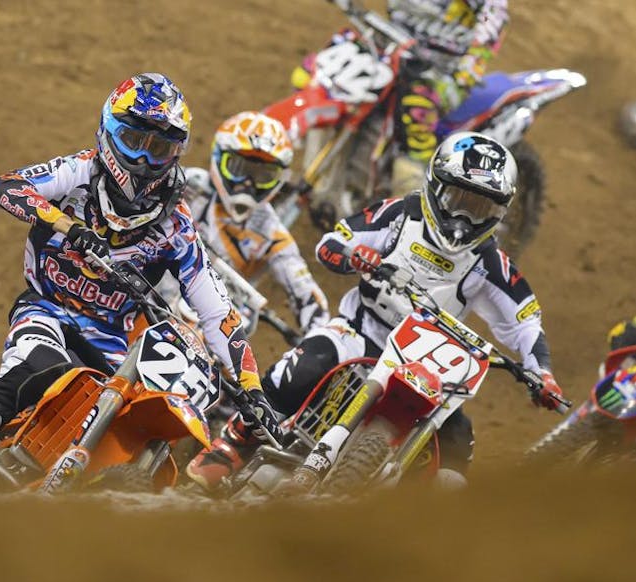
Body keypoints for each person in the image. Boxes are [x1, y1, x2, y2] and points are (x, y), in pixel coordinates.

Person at [0, 73, 280, 483]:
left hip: (110, 340)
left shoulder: (177, 227)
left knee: (133, 414)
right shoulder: (78, 171)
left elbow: (218, 313)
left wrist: (252, 389)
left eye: (159, 148)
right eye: (134, 141)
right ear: (109, 131)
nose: (144, 160)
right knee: (41, 365)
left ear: (176, 152)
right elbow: (7, 187)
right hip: (48, 309)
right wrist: (67, 224)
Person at [196, 131, 564, 490]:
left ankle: (418, 517)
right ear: (437, 186)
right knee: (301, 368)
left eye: (480, 208)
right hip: (360, 332)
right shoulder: (401, 215)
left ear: (499, 211)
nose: (463, 220)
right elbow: (332, 242)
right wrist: (355, 255)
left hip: (426, 363)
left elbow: (525, 322)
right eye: (457, 200)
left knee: (457, 441)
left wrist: (542, 374)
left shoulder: (490, 262)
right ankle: (229, 448)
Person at [172, 111, 331, 489]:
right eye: (240, 168)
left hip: (216, 317)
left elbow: (304, 289)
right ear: (219, 160)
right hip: (157, 293)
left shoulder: (271, 231)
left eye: (263, 176)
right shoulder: (186, 186)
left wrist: (321, 334)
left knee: (241, 396)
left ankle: (215, 447)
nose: (247, 183)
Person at [300, 0, 509, 195]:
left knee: (416, 114)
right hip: (388, 44)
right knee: (314, 73)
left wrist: (465, 71)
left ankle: (412, 201)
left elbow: (491, 24)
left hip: (442, 68)